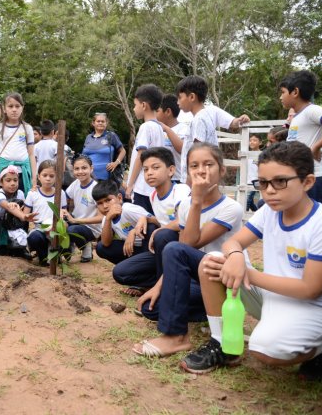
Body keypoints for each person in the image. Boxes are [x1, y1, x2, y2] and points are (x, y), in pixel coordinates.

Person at [182, 142, 322, 384]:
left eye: (280, 181)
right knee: (212, 261)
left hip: (316, 307)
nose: (269, 191)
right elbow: (232, 244)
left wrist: (246, 272)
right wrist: (236, 256)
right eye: (263, 183)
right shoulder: (270, 211)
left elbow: (310, 289)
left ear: (308, 182)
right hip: (274, 297)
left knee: (264, 349)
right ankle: (222, 345)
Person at [132, 143, 245, 358]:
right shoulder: (184, 206)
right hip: (199, 276)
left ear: (222, 171)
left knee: (174, 247)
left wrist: (197, 201)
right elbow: (184, 251)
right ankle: (209, 311)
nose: (201, 170)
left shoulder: (231, 208)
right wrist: (158, 287)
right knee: (151, 308)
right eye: (194, 166)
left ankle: (176, 336)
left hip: (223, 277)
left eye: (208, 164)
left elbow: (190, 244)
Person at [112, 147, 190, 296]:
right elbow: (161, 221)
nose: (149, 173)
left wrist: (158, 231)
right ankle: (155, 283)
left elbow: (182, 222)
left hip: (184, 246)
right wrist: (144, 219)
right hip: (163, 248)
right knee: (120, 273)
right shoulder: (154, 195)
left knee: (161, 234)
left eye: (156, 167)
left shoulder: (180, 190)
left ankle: (165, 290)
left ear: (171, 170)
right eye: (145, 169)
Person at [176, 75, 249, 182]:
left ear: (191, 97)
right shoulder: (208, 113)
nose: (178, 102)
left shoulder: (199, 119)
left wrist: (190, 179)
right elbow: (232, 123)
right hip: (207, 173)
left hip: (197, 177)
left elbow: (197, 150)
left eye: (180, 97)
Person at [280, 70, 322, 205]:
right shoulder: (298, 116)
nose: (280, 97)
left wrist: (317, 146)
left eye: (282, 92)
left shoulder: (312, 110)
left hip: (314, 177)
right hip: (300, 176)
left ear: (295, 92)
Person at [0, 165, 36, 262]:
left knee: (23, 211)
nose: (13, 183)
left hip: (13, 228)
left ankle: (21, 247)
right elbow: (8, 206)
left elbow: (25, 209)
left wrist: (34, 192)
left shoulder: (20, 193)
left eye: (15, 180)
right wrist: (22, 215)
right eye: (8, 180)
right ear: (1, 183)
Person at [125, 84, 165, 213]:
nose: (134, 108)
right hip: (153, 187)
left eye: (135, 105)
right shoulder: (159, 127)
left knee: (141, 224)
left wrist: (130, 184)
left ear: (143, 105)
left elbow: (140, 157)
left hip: (142, 186)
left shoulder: (146, 127)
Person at [0, 93, 37, 195]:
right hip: (4, 172)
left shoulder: (27, 128)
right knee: (5, 203)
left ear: (22, 108)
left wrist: (34, 178)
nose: (14, 109)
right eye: (10, 106)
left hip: (23, 172)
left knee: (24, 201)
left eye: (17, 106)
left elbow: (31, 154)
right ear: (4, 109)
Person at [94, 180, 150, 265]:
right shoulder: (106, 219)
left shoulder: (128, 209)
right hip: (132, 249)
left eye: (108, 200)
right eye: (100, 203)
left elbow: (156, 222)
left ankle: (149, 268)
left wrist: (133, 231)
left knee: (151, 227)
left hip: (147, 247)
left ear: (119, 198)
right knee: (100, 248)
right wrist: (108, 219)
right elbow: (105, 243)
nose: (105, 206)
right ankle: (129, 268)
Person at [25, 160, 68, 265]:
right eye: (45, 175)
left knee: (64, 235)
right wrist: (28, 217)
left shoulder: (60, 193)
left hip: (56, 228)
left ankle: (60, 252)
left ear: (56, 177)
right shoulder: (32, 194)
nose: (48, 178)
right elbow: (25, 214)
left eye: (52, 176)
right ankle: (42, 255)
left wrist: (61, 221)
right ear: (39, 176)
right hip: (39, 228)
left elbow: (64, 211)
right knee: (34, 238)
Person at [62, 155, 103, 263]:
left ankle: (86, 246)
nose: (80, 171)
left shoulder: (96, 189)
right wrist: (63, 211)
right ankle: (66, 248)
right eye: (77, 169)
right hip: (76, 221)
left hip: (91, 227)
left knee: (72, 230)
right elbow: (63, 198)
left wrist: (75, 221)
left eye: (84, 168)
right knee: (59, 223)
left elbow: (100, 218)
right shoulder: (75, 184)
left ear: (91, 168)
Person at [82, 113, 126, 181]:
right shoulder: (88, 137)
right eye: (98, 121)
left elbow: (123, 151)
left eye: (103, 121)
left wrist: (116, 163)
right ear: (93, 123)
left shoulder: (111, 136)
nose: (100, 123)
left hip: (106, 178)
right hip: (88, 177)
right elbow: (83, 157)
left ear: (106, 123)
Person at [156, 94, 188, 183]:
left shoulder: (183, 129)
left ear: (168, 112)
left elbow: (182, 148)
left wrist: (166, 129)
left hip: (178, 179)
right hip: (162, 178)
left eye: (157, 111)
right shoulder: (157, 129)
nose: (154, 114)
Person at [246, 134, 261, 212]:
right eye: (250, 140)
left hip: (255, 181)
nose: (252, 142)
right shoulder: (246, 154)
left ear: (260, 143)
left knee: (246, 202)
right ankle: (256, 213)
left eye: (254, 140)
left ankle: (244, 221)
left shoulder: (261, 155)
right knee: (250, 202)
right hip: (246, 181)